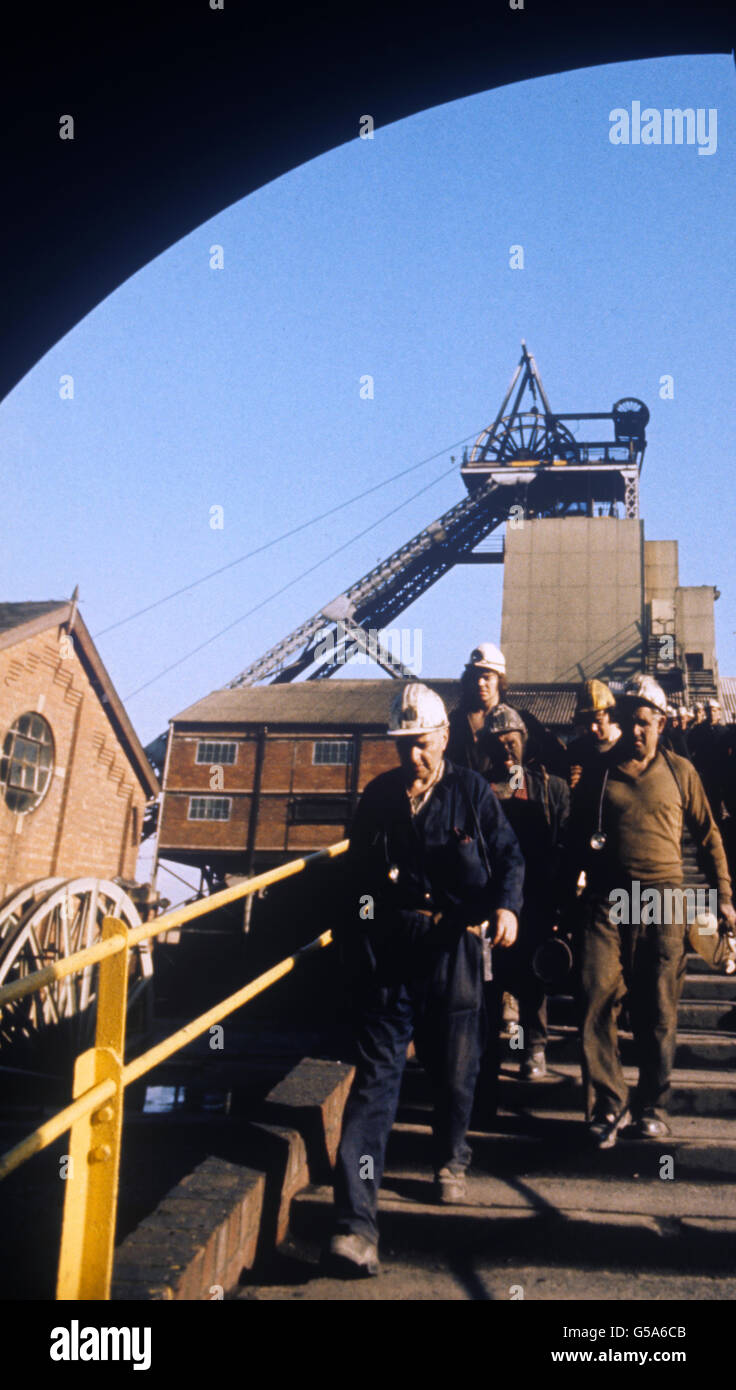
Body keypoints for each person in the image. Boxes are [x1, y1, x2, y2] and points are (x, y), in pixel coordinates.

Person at [326, 683, 525, 1276]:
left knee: (455, 1067)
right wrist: (362, 937)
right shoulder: (380, 797)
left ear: (443, 738)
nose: (413, 756)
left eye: (422, 744)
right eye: (403, 745)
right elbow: (357, 885)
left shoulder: (469, 792)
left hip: (455, 943)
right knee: (374, 1084)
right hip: (392, 951)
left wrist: (507, 907)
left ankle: (451, 1155)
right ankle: (354, 1226)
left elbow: (509, 856)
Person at [568, 673, 736, 1149]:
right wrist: (566, 898)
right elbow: (575, 841)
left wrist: (723, 896)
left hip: (664, 900)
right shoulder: (600, 774)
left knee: (658, 1009)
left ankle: (653, 1106)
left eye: (644, 722)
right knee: (596, 994)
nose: (635, 731)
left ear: (661, 723)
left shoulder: (682, 772)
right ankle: (606, 1105)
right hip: (607, 898)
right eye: (628, 721)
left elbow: (708, 838)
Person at [481, 705, 570, 1085]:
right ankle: (502, 1052)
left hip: (536, 896)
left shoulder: (551, 788)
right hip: (493, 899)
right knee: (494, 981)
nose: (507, 751)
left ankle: (533, 1048)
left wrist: (561, 897)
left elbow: (565, 842)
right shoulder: (480, 789)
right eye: (499, 744)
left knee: (532, 978)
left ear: (524, 741)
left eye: (512, 742)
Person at [447, 642, 568, 779]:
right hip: (464, 797)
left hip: (506, 797)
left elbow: (556, 753)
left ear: (500, 679)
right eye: (475, 677)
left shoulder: (521, 718)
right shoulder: (455, 721)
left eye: (486, 677)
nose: (480, 683)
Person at [566, 680, 621, 790]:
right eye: (587, 722)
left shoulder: (627, 748)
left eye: (598, 721)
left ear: (611, 716)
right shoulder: (576, 750)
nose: (593, 728)